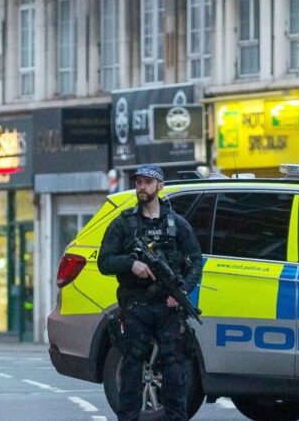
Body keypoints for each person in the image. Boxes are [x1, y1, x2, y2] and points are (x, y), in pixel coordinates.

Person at [98, 164, 202, 421]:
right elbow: (104, 262)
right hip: (137, 307)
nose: (141, 187)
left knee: (175, 370)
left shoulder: (177, 224)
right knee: (132, 367)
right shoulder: (123, 224)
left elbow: (196, 262)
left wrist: (181, 291)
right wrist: (131, 264)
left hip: (168, 308)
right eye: (139, 182)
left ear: (160, 186)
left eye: (147, 182)